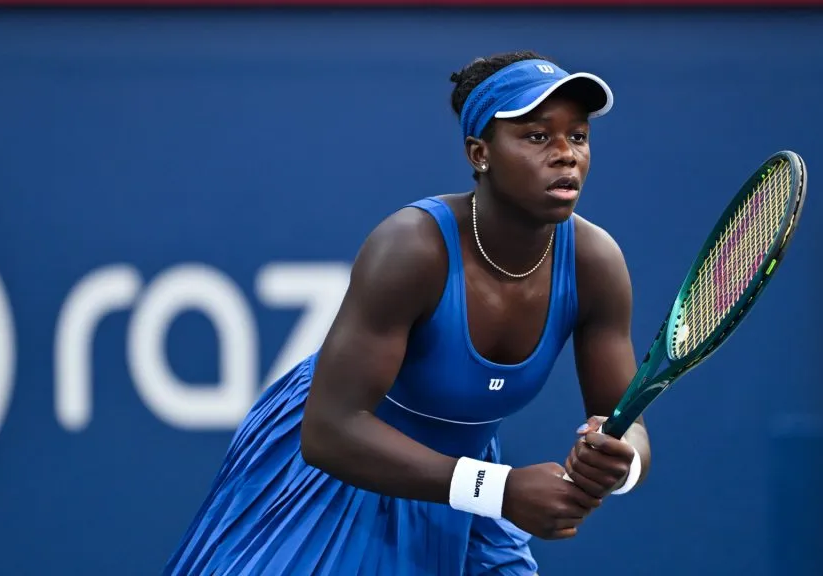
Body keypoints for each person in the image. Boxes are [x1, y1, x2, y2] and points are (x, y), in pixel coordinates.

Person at [163, 50, 652, 576]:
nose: (565, 155)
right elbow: (328, 431)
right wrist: (498, 488)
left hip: (466, 487)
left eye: (577, 137)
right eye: (537, 136)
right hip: (340, 470)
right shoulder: (412, 247)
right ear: (480, 153)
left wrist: (620, 464)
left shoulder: (595, 261)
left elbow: (629, 425)